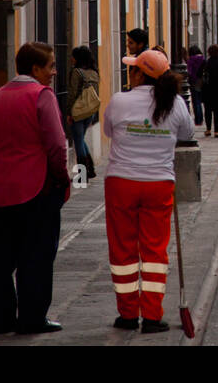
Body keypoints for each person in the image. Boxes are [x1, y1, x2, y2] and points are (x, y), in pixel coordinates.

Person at [0, 42, 71, 335]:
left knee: (3, 259)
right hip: (36, 188)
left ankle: (3, 319)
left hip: (2, 190)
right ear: (35, 69)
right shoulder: (42, 96)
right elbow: (56, 145)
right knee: (37, 255)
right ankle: (32, 318)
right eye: (51, 66)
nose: (54, 72)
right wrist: (61, 178)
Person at [102, 49, 195, 333]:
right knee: (155, 250)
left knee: (123, 250)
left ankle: (128, 315)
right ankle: (153, 316)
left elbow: (107, 131)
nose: (130, 74)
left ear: (140, 74)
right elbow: (187, 135)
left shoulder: (119, 101)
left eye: (132, 69)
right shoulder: (176, 103)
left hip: (121, 183)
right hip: (158, 183)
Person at [66, 46, 100, 180]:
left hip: (79, 111)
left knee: (78, 140)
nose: (71, 59)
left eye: (73, 56)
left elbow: (73, 93)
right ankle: (90, 169)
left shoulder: (77, 72)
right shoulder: (94, 72)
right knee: (80, 139)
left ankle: (83, 174)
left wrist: (69, 112)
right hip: (90, 111)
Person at [186, 45, 205, 127]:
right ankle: (201, 119)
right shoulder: (203, 59)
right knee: (200, 101)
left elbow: (189, 72)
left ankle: (198, 120)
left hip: (194, 81)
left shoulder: (191, 60)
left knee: (195, 101)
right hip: (202, 81)